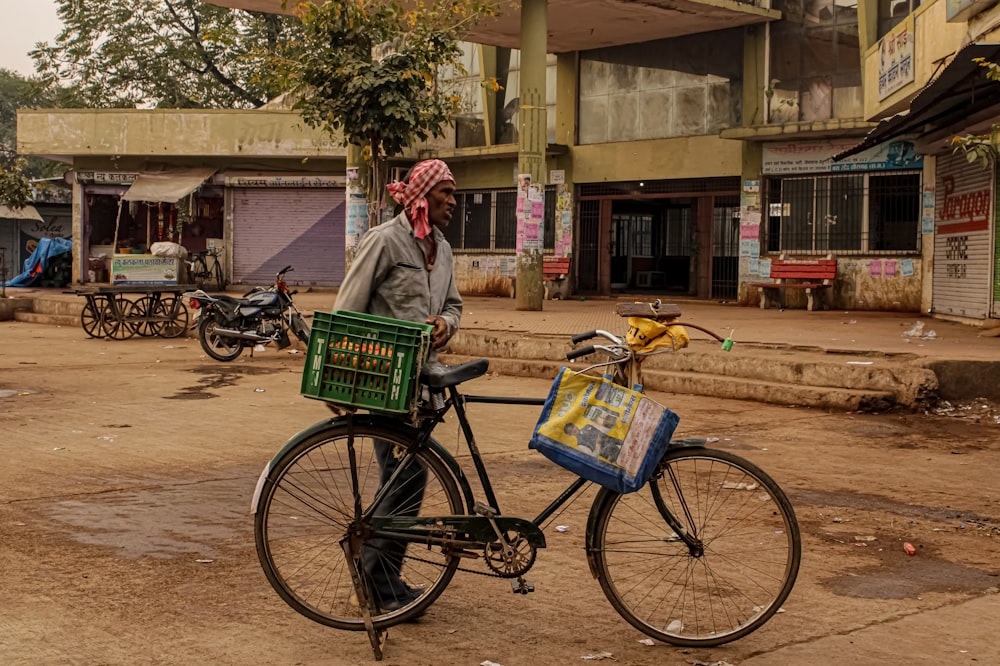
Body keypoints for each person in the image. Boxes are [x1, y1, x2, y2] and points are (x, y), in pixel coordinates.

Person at [334, 159, 462, 613]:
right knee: (407, 475)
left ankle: (379, 579)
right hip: (383, 377)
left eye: (453, 193)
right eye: (445, 192)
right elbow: (348, 310)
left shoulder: (443, 249)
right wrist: (343, 381)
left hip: (423, 384)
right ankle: (376, 584)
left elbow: (454, 305)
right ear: (423, 196)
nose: (453, 201)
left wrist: (445, 325)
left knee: (405, 476)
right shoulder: (384, 241)